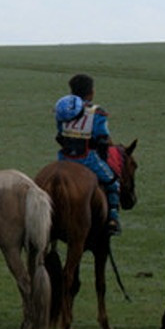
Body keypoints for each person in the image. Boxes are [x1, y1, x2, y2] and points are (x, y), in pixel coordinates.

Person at [55, 73, 121, 234]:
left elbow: (59, 133)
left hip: (64, 158)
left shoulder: (63, 109)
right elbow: (102, 138)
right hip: (87, 159)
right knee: (113, 183)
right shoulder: (97, 112)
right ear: (91, 92)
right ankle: (113, 218)